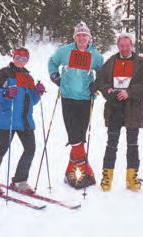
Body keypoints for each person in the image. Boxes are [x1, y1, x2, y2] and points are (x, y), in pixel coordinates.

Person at [48, 21, 104, 189]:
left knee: (79, 136)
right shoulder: (65, 51)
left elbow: (102, 73)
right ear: (74, 37)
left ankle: (70, 172)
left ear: (89, 38)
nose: (81, 38)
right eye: (78, 35)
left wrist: (97, 84)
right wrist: (55, 77)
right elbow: (52, 62)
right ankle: (86, 170)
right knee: (74, 136)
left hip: (86, 99)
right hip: (67, 97)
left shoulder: (96, 55)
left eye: (84, 35)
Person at [0, 47, 45, 195]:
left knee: (30, 149)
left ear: (27, 60)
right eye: (18, 57)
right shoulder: (4, 73)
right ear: (13, 57)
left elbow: (33, 101)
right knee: (1, 150)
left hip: (25, 121)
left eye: (24, 59)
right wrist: (5, 93)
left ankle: (20, 181)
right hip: (8, 119)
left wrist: (38, 93)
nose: (20, 61)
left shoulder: (28, 78)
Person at [95, 32, 143, 192]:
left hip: (133, 108)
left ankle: (131, 178)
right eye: (121, 46)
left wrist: (129, 92)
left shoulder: (141, 63)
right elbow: (101, 81)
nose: (124, 48)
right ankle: (107, 177)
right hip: (114, 108)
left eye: (127, 46)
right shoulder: (111, 62)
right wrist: (108, 90)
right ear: (118, 46)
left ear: (132, 46)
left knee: (132, 144)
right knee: (111, 144)